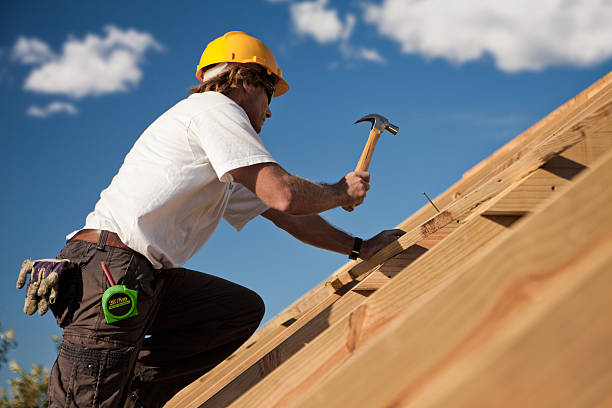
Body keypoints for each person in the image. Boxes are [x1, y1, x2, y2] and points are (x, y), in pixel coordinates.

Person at [35, 31, 404, 407]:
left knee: (235, 312)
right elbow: (284, 194)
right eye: (269, 94)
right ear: (245, 81)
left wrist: (360, 247)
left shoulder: (217, 151)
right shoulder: (216, 110)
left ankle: (132, 391)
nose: (270, 110)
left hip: (138, 275)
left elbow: (281, 213)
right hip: (112, 270)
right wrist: (339, 193)